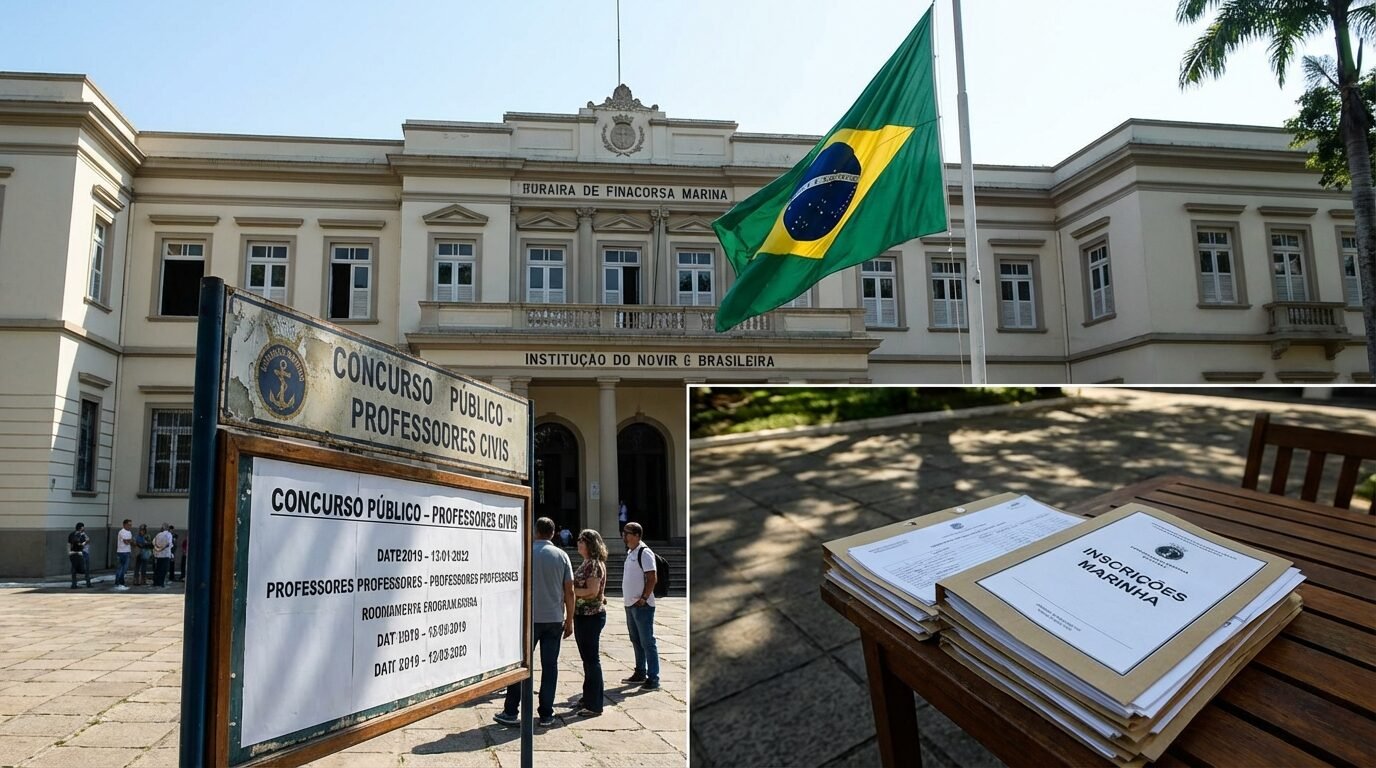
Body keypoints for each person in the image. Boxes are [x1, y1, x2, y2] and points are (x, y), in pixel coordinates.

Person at [494, 517, 573, 728]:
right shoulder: (562, 556)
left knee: (520, 665)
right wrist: (570, 620)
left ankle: (511, 711)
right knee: (550, 666)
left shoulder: (525, 552)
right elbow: (570, 591)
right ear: (554, 533)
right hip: (554, 618)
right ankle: (546, 712)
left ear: (535, 531)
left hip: (528, 619)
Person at [570, 529, 608, 716]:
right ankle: (588, 698)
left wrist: (570, 591)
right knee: (587, 660)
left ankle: (595, 705)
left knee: (592, 661)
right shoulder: (588, 563)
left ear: (591, 544)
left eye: (582, 540)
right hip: (584, 615)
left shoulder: (593, 564)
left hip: (590, 616)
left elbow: (592, 591)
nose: (578, 543)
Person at [621, 521, 659, 690]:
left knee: (647, 641)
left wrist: (644, 597)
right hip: (630, 604)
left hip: (641, 605)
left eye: (627, 533)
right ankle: (640, 672)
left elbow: (652, 577)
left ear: (636, 535)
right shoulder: (631, 552)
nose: (624, 535)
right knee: (636, 640)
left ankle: (653, 677)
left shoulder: (644, 552)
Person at [67, 522, 90, 589]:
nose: (84, 528)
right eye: (83, 527)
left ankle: (74, 584)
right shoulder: (81, 535)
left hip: (73, 553)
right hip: (81, 553)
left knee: (74, 568)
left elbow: (68, 544)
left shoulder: (71, 534)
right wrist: (85, 541)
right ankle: (88, 583)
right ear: (81, 528)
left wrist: (69, 552)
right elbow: (83, 543)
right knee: (85, 568)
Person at [113, 519, 133, 591]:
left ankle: (121, 581)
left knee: (125, 568)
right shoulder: (122, 532)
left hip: (127, 551)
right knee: (120, 568)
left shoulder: (129, 532)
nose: (130, 526)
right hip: (122, 552)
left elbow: (130, 541)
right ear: (124, 525)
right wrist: (129, 541)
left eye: (131, 525)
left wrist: (130, 541)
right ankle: (118, 582)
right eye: (129, 525)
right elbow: (126, 542)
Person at [152, 524, 174, 588]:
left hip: (158, 555)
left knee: (158, 569)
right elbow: (168, 544)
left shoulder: (158, 534)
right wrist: (163, 548)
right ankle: (161, 582)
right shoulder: (168, 534)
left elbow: (154, 542)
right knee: (164, 569)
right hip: (166, 554)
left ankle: (156, 582)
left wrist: (158, 549)